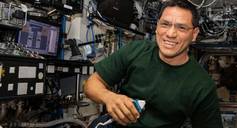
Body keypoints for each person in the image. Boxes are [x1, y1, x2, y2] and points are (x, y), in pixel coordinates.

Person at [84, 0, 223, 127]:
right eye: (165, 24)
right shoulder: (136, 50)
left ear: (194, 34)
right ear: (157, 27)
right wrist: (109, 97)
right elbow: (92, 84)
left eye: (181, 28)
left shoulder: (202, 86)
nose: (170, 34)